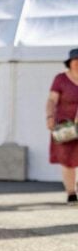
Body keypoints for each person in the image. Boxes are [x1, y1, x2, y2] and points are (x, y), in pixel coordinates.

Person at [46, 47, 78, 205]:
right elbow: (52, 100)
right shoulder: (61, 79)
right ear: (70, 63)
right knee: (68, 160)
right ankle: (71, 193)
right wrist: (50, 116)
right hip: (66, 128)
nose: (77, 63)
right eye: (75, 61)